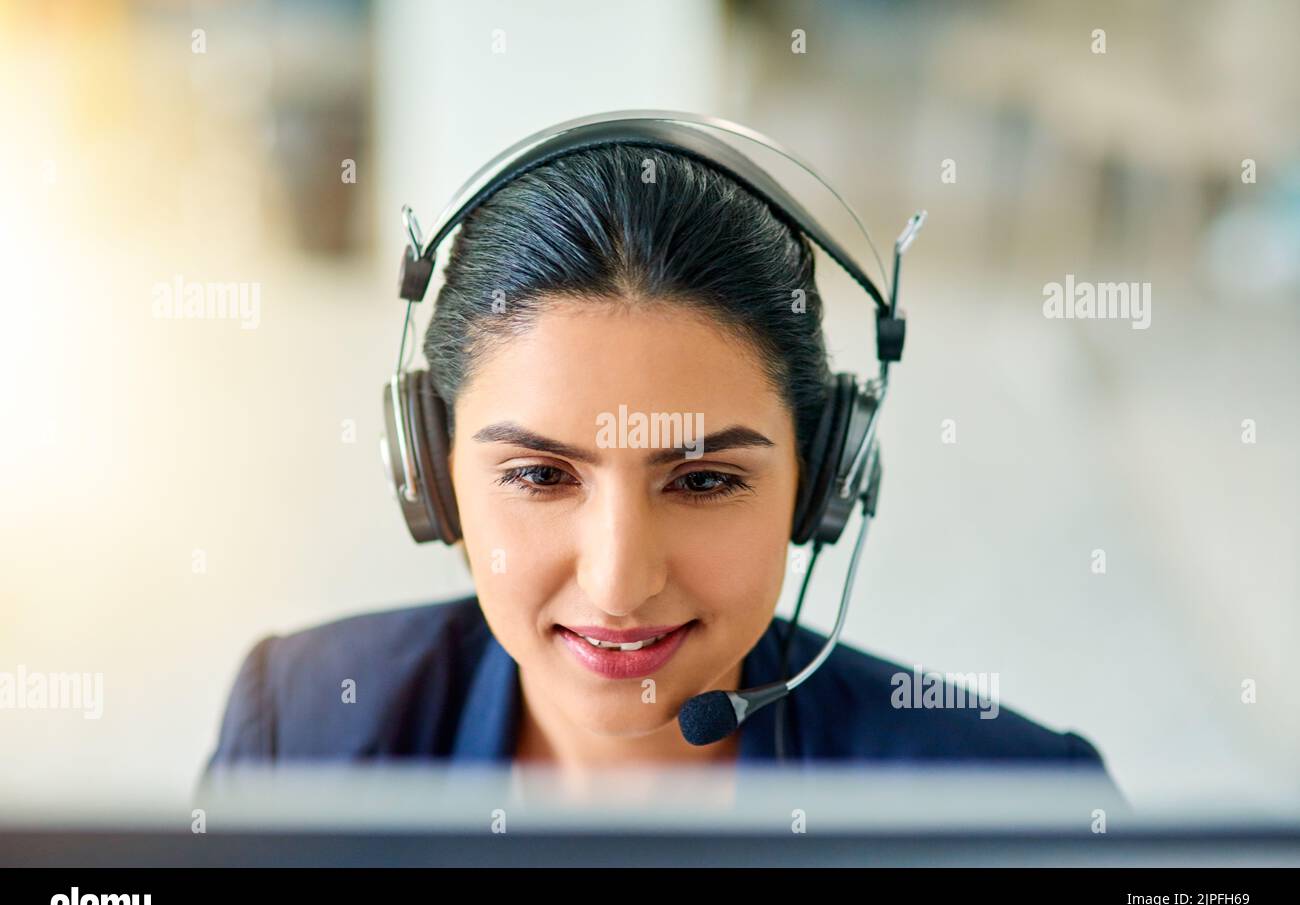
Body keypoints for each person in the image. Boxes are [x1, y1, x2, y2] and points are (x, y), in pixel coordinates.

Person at [205, 142, 1121, 802]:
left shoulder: (1018, 804)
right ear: (431, 475)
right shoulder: (298, 728)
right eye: (538, 474)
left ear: (822, 480)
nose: (618, 581)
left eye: (704, 480)